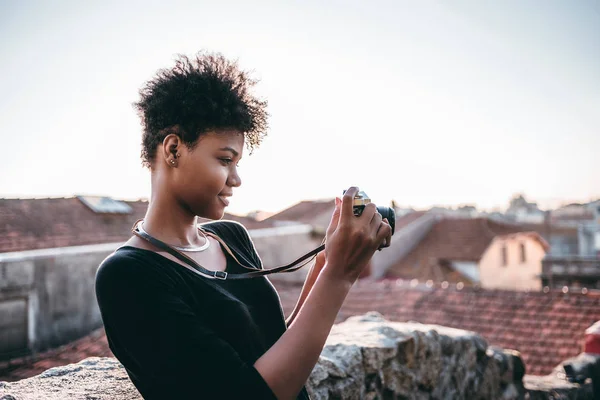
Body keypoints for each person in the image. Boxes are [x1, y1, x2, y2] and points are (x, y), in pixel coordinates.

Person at [95, 51, 392, 400]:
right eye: (225, 159)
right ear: (173, 149)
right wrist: (338, 277)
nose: (236, 179)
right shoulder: (127, 277)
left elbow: (271, 352)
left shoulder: (230, 237)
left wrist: (326, 265)